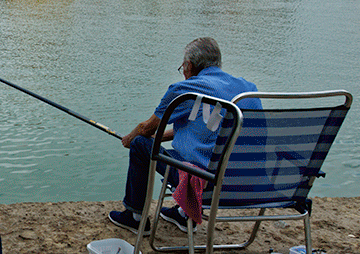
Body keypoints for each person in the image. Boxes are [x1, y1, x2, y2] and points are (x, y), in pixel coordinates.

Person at [109, 36, 258, 233]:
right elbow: (213, 133)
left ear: (188, 65)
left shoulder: (187, 90)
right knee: (201, 153)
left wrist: (131, 138)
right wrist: (157, 138)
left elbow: (146, 128)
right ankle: (183, 214)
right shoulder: (248, 89)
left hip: (204, 184)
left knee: (140, 146)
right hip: (247, 183)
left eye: (183, 68)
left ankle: (136, 217)